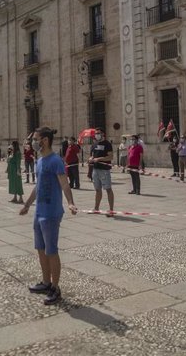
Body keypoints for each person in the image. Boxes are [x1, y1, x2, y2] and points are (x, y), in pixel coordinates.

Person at [19, 127, 77, 305]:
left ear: (45, 140)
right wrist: (28, 205)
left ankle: (55, 288)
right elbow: (38, 186)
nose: (33, 142)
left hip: (51, 213)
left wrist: (70, 202)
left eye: (35, 139)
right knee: (40, 249)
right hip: (39, 212)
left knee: (51, 251)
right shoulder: (40, 161)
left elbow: (64, 184)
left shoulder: (55, 160)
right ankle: (45, 282)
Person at [89, 128, 115, 216]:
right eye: (96, 134)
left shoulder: (107, 144)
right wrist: (91, 159)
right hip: (95, 169)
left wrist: (100, 159)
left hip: (104, 170)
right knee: (97, 189)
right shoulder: (94, 144)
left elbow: (110, 157)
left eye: (98, 133)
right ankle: (96, 208)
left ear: (102, 134)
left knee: (108, 189)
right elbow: (92, 155)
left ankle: (111, 210)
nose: (97, 135)